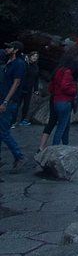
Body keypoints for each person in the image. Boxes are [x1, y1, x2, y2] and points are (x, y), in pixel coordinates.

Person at [0, 40, 27, 168]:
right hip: (3, 99)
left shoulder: (19, 64)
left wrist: (5, 101)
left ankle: (19, 157)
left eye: (10, 47)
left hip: (8, 102)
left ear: (16, 50)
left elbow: (16, 83)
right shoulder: (9, 62)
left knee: (3, 132)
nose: (7, 49)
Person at [49, 47, 78, 146]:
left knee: (66, 126)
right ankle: (54, 148)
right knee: (61, 127)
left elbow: (51, 87)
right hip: (65, 101)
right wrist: (74, 91)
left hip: (56, 100)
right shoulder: (67, 72)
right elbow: (65, 86)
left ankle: (65, 145)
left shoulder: (58, 70)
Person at [16, 50, 39, 127]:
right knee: (17, 103)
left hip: (29, 88)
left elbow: (36, 79)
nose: (34, 58)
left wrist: (36, 89)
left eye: (36, 56)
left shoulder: (36, 67)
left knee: (26, 105)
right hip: (22, 87)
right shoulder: (25, 64)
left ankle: (23, 120)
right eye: (33, 56)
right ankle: (13, 120)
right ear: (30, 56)